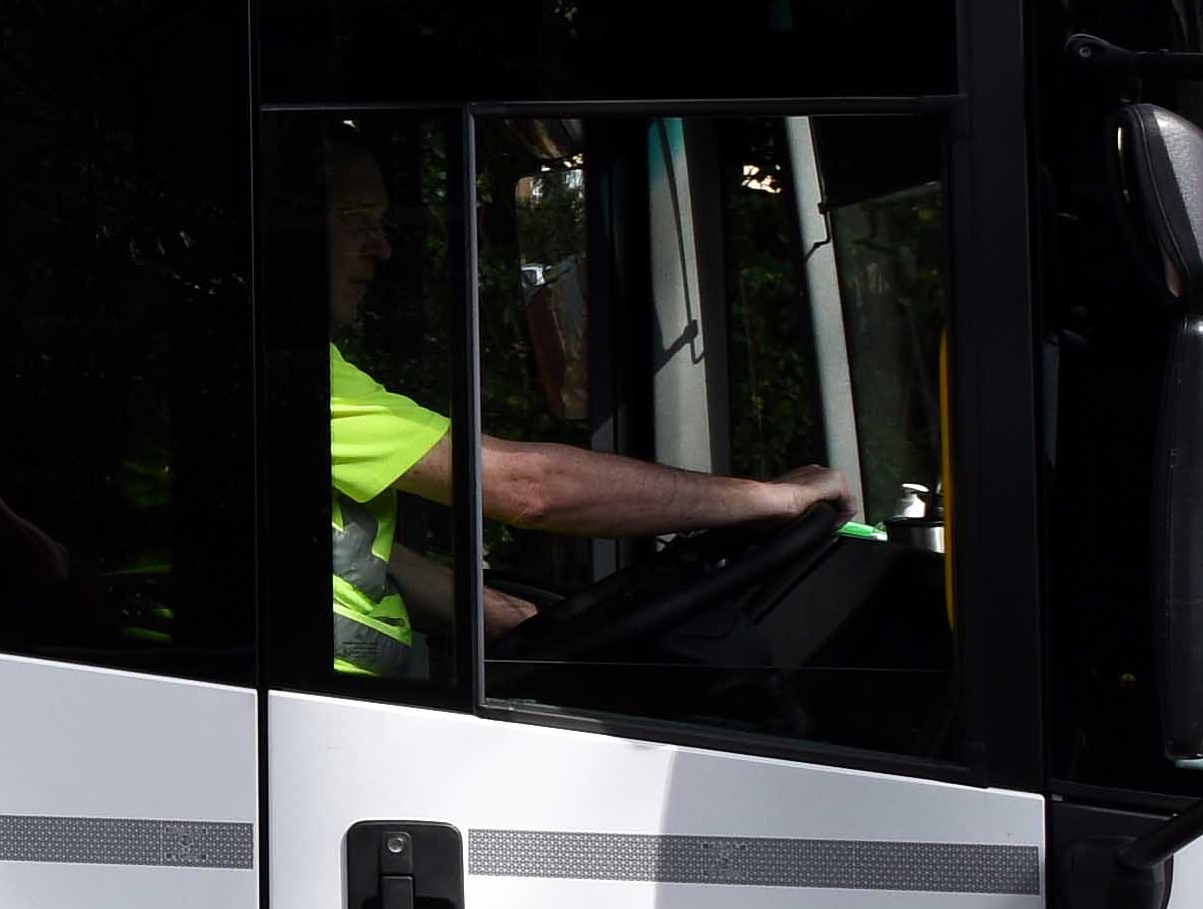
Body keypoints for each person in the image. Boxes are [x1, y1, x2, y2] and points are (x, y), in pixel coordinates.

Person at [318, 139, 846, 681]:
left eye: (380, 221)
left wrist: (511, 616)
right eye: (355, 217)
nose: (380, 247)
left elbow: (349, 556)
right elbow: (528, 489)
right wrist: (769, 498)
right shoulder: (291, 378)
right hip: (329, 723)